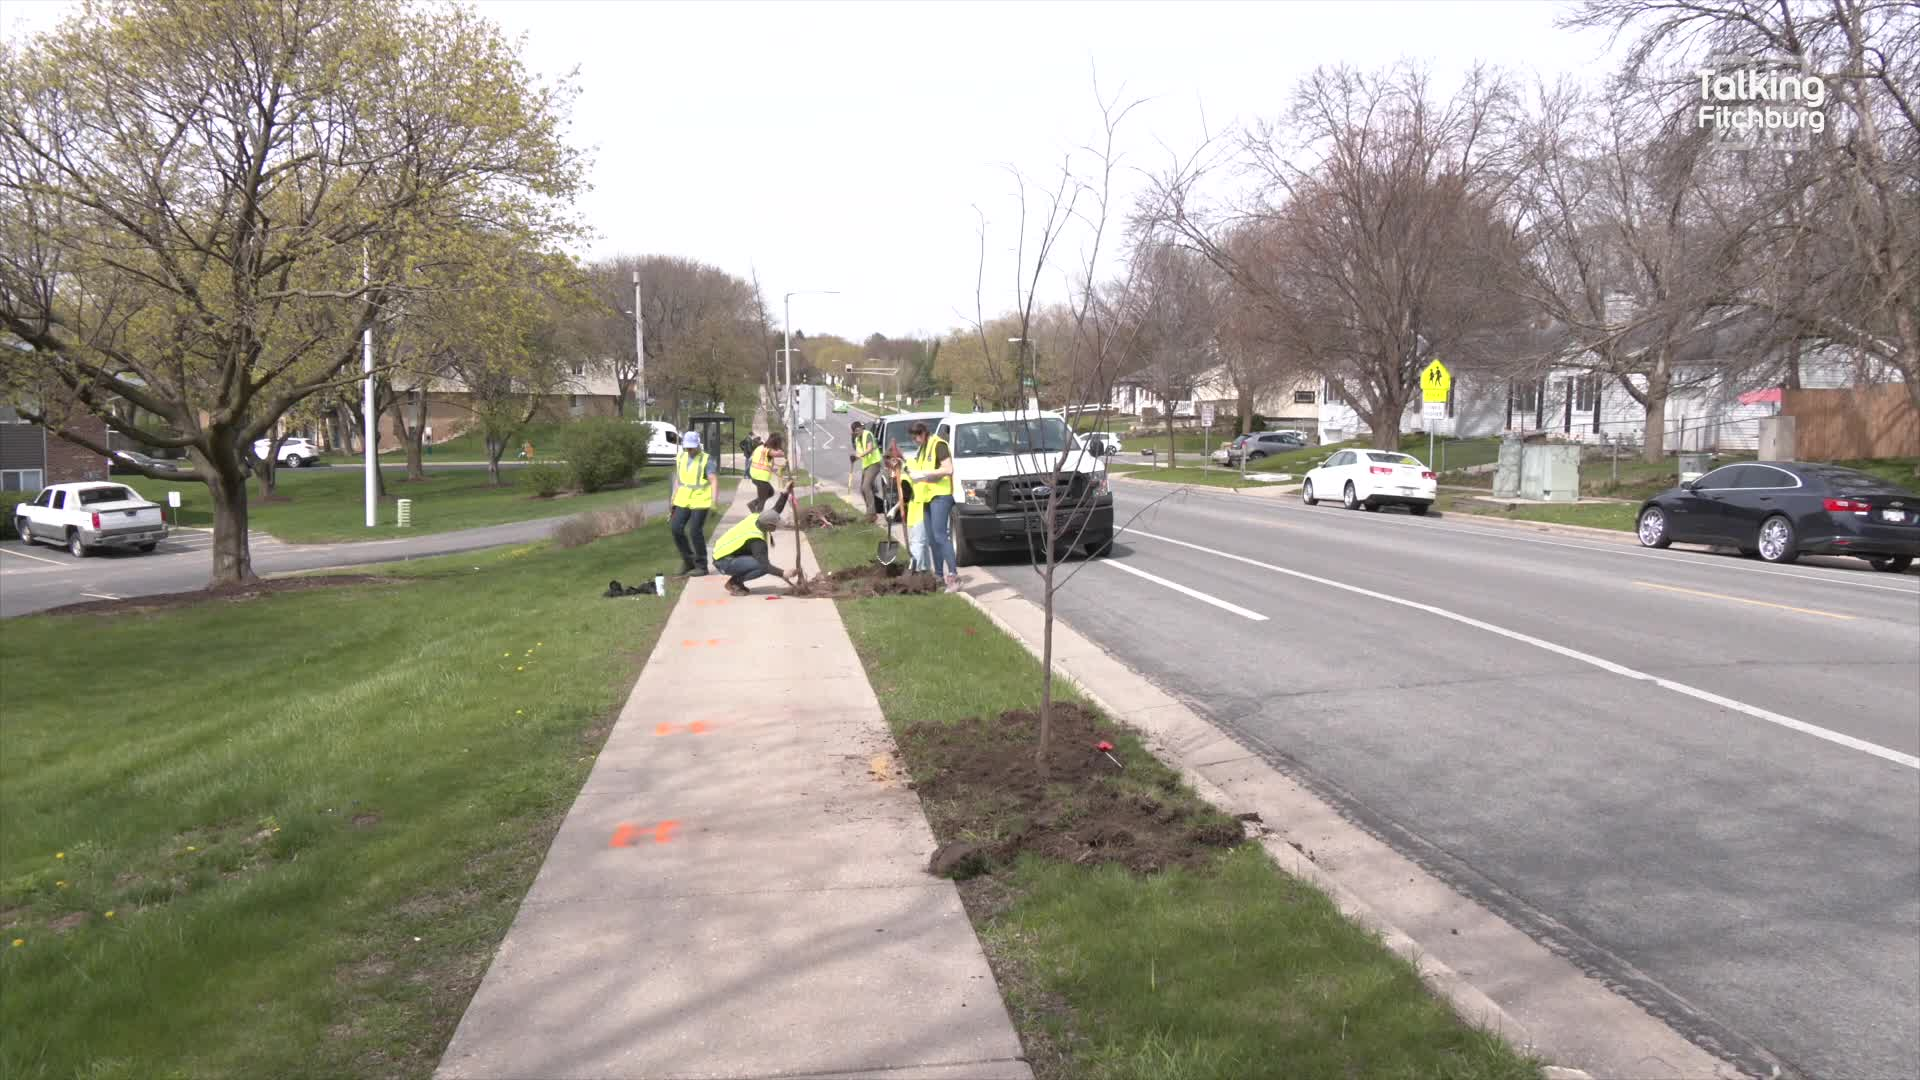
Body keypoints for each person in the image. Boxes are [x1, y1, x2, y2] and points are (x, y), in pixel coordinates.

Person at [711, 481, 796, 596]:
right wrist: (783, 573)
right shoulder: (757, 540)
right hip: (723, 561)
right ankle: (734, 583)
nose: (776, 527)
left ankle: (736, 579)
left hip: (722, 552)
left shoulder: (757, 517)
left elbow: (775, 511)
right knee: (761, 566)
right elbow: (765, 565)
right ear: (769, 526)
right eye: (775, 526)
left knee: (760, 562)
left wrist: (785, 493)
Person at [905, 420, 958, 591]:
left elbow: (948, 469)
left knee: (940, 536)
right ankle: (939, 576)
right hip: (927, 497)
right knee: (933, 540)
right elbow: (917, 468)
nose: (914, 441)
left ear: (923, 434)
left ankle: (954, 577)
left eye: (915, 437)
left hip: (941, 496)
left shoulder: (938, 445)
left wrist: (924, 473)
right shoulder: (922, 449)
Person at [668, 430, 719, 575]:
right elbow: (678, 479)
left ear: (698, 445)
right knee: (676, 528)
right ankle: (688, 561)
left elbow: (713, 481)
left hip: (701, 500)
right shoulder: (681, 457)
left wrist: (714, 503)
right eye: (687, 447)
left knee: (695, 531)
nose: (689, 450)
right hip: (683, 499)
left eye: (691, 447)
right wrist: (673, 498)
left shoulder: (706, 459)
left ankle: (702, 566)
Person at [849, 420, 883, 519]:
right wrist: (854, 458)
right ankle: (871, 510)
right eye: (855, 431)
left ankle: (871, 514)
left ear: (861, 428)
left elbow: (870, 448)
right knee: (863, 489)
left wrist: (858, 456)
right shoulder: (857, 439)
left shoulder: (867, 434)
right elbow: (859, 453)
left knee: (866, 486)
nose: (857, 432)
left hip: (874, 463)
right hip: (866, 465)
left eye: (858, 429)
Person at [747, 432, 786, 512]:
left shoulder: (760, 448)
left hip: (756, 476)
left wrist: (773, 469)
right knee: (762, 499)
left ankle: (753, 503)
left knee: (770, 492)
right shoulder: (767, 451)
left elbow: (764, 462)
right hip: (760, 477)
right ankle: (757, 516)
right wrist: (783, 450)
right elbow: (779, 454)